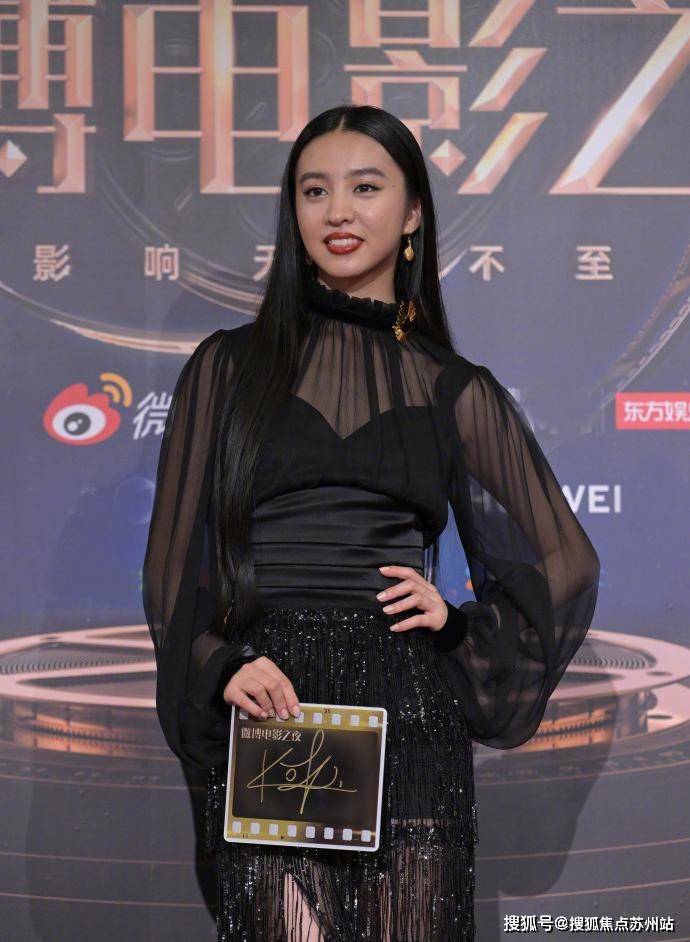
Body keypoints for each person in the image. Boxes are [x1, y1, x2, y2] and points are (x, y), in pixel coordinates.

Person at [142, 104, 600, 941]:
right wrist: (221, 665)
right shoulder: (227, 368)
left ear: (413, 211)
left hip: (407, 712)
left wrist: (456, 625)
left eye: (365, 187)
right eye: (314, 191)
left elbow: (566, 561)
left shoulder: (452, 386)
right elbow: (172, 576)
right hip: (276, 709)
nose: (337, 212)